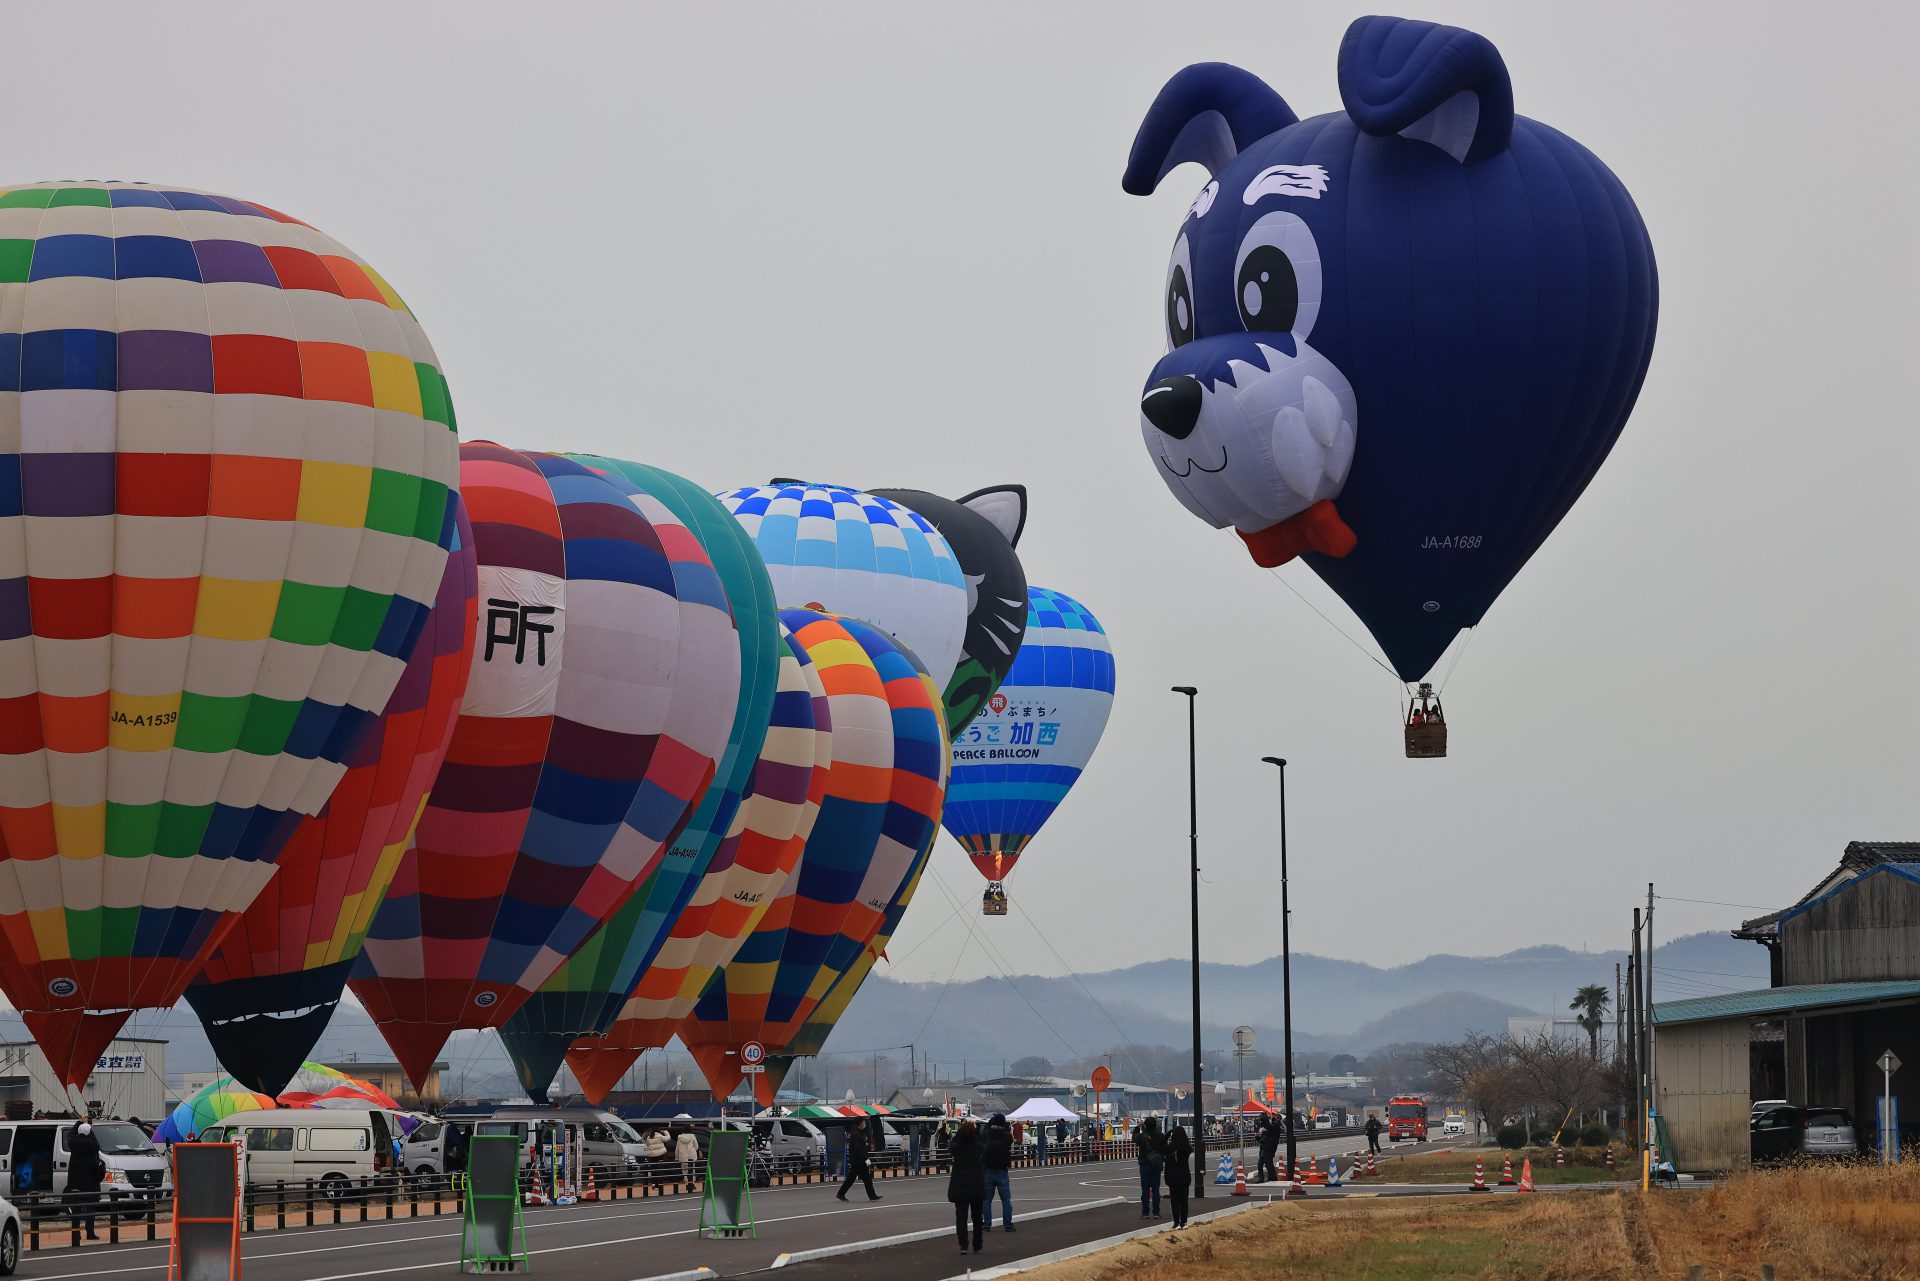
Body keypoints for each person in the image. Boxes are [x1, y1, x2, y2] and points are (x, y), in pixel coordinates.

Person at [947, 1120, 986, 1254]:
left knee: (961, 1217)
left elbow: (950, 1147)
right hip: (976, 1183)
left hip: (960, 1184)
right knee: (977, 1217)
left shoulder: (957, 1147)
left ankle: (963, 1244)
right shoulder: (978, 1146)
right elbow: (982, 1145)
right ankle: (977, 1243)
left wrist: (959, 1134)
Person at [68, 1121, 105, 1241]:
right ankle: (90, 1232)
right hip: (91, 1183)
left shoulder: (73, 1143)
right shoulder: (92, 1145)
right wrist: (90, 1129)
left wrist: (78, 1123)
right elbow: (96, 1142)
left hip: (76, 1183)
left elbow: (71, 1134)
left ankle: (76, 1233)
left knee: (76, 1209)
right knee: (90, 1208)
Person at [981, 1113, 1014, 1231]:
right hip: (1002, 1170)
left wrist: (991, 1122)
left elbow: (984, 1130)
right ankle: (1008, 1224)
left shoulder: (987, 1134)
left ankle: (986, 1224)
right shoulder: (1006, 1136)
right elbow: (1010, 1138)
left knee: (986, 1200)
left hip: (988, 1169)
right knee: (1006, 1200)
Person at [835, 1125, 881, 1202]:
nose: (864, 1125)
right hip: (859, 1161)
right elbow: (859, 1148)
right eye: (863, 1123)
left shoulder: (857, 1133)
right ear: (859, 1124)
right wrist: (866, 1158)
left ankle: (841, 1193)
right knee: (866, 1179)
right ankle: (872, 1196)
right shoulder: (856, 1135)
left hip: (857, 1161)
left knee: (852, 1179)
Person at [1133, 1116, 1165, 1217]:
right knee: (1156, 1189)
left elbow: (1134, 1137)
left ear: (1145, 1125)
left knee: (1145, 1189)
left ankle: (1145, 1212)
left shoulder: (1142, 1136)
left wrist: (1138, 1127)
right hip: (1156, 1164)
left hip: (1144, 1163)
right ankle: (1156, 1212)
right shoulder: (1160, 1135)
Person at [1165, 1125, 1192, 1230]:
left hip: (1172, 1177)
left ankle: (1176, 1222)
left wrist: (1167, 1135)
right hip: (1184, 1176)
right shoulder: (1187, 1147)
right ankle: (1184, 1222)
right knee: (1184, 1200)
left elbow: (1159, 1147)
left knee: (1174, 1200)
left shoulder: (1170, 1147)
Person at [1256, 1112, 1281, 1182]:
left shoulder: (1276, 1127)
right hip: (1264, 1148)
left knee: (1268, 1164)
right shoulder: (1270, 1128)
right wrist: (1259, 1139)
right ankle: (1262, 1178)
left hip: (1269, 1149)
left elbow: (1269, 1128)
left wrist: (1265, 1120)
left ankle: (1272, 1178)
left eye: (1275, 1117)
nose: (1273, 1117)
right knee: (1262, 1164)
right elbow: (1265, 1138)